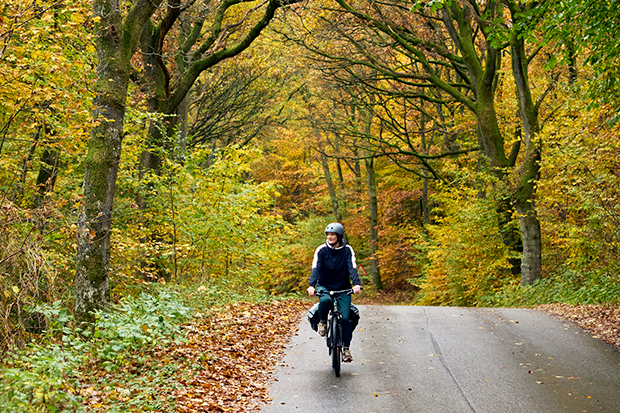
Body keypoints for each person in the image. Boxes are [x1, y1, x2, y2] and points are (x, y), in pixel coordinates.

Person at [307, 222, 361, 362]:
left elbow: (352, 268)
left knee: (346, 318)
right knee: (325, 300)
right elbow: (316, 268)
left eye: (332, 234)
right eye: (328, 235)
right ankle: (323, 322)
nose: (329, 237)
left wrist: (356, 284)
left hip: (343, 288)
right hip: (324, 286)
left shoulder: (347, 250)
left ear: (339, 236)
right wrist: (311, 285)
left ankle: (346, 349)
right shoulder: (321, 250)